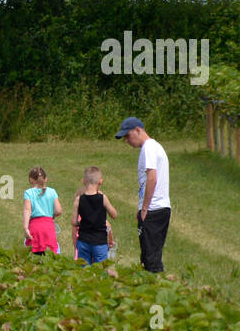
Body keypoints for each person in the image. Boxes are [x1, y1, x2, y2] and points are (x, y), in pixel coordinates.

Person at [117, 116, 171, 272]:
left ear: (138, 130)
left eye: (128, 136)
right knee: (150, 255)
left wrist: (145, 208)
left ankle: (156, 289)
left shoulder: (148, 148)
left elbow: (152, 178)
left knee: (150, 259)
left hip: (153, 209)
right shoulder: (154, 147)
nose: (127, 140)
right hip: (160, 208)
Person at [71, 166, 119, 265]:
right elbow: (114, 215)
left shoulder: (78, 200)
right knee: (100, 269)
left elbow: (73, 222)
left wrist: (81, 223)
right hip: (100, 241)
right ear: (100, 182)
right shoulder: (103, 198)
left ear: (83, 181)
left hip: (83, 240)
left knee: (84, 270)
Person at [22, 167, 62, 255]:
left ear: (31, 180)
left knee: (33, 255)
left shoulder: (28, 193)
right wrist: (52, 216)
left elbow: (27, 210)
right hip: (49, 228)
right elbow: (59, 210)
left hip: (35, 228)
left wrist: (25, 228)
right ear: (46, 179)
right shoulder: (52, 192)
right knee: (51, 255)